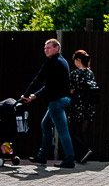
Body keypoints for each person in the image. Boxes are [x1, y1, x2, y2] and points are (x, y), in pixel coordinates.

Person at [21, 38, 76, 169]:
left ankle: (69, 159)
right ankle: (42, 156)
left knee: (62, 131)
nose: (45, 50)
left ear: (57, 48)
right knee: (46, 124)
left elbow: (39, 80)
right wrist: (34, 95)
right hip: (64, 100)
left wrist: (26, 94)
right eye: (45, 48)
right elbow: (51, 85)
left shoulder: (52, 62)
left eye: (48, 48)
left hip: (56, 102)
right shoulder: (63, 61)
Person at [68, 50, 97, 164]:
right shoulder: (91, 73)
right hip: (89, 107)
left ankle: (83, 152)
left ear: (78, 60)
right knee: (83, 131)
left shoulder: (75, 73)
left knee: (72, 131)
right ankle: (84, 155)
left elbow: (70, 90)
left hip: (77, 106)